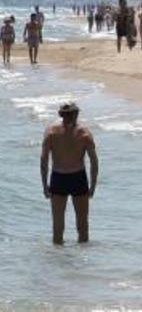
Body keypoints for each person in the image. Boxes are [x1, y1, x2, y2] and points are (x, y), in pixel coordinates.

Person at [40, 103, 98, 245]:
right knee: (74, 225)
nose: (71, 116)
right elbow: (94, 162)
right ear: (75, 114)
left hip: (64, 178)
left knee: (68, 225)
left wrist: (45, 185)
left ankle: (66, 260)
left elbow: (44, 160)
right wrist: (92, 186)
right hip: (73, 178)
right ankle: (72, 262)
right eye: (72, 114)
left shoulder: (52, 132)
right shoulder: (83, 133)